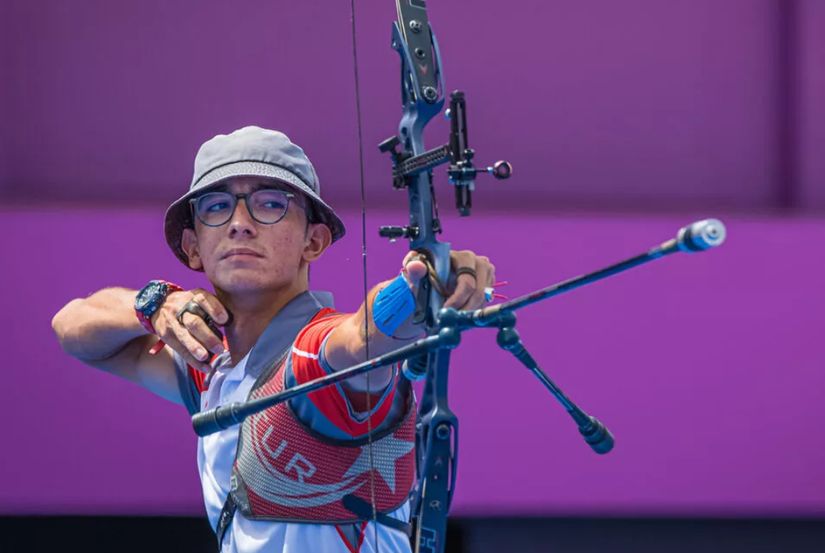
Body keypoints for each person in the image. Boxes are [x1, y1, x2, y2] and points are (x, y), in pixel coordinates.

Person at [52, 126, 495, 553]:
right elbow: (72, 327)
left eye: (270, 204)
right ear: (192, 246)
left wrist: (424, 286)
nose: (240, 223)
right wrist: (155, 305)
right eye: (216, 206)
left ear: (314, 241)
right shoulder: (208, 363)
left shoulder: (317, 353)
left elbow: (365, 337)